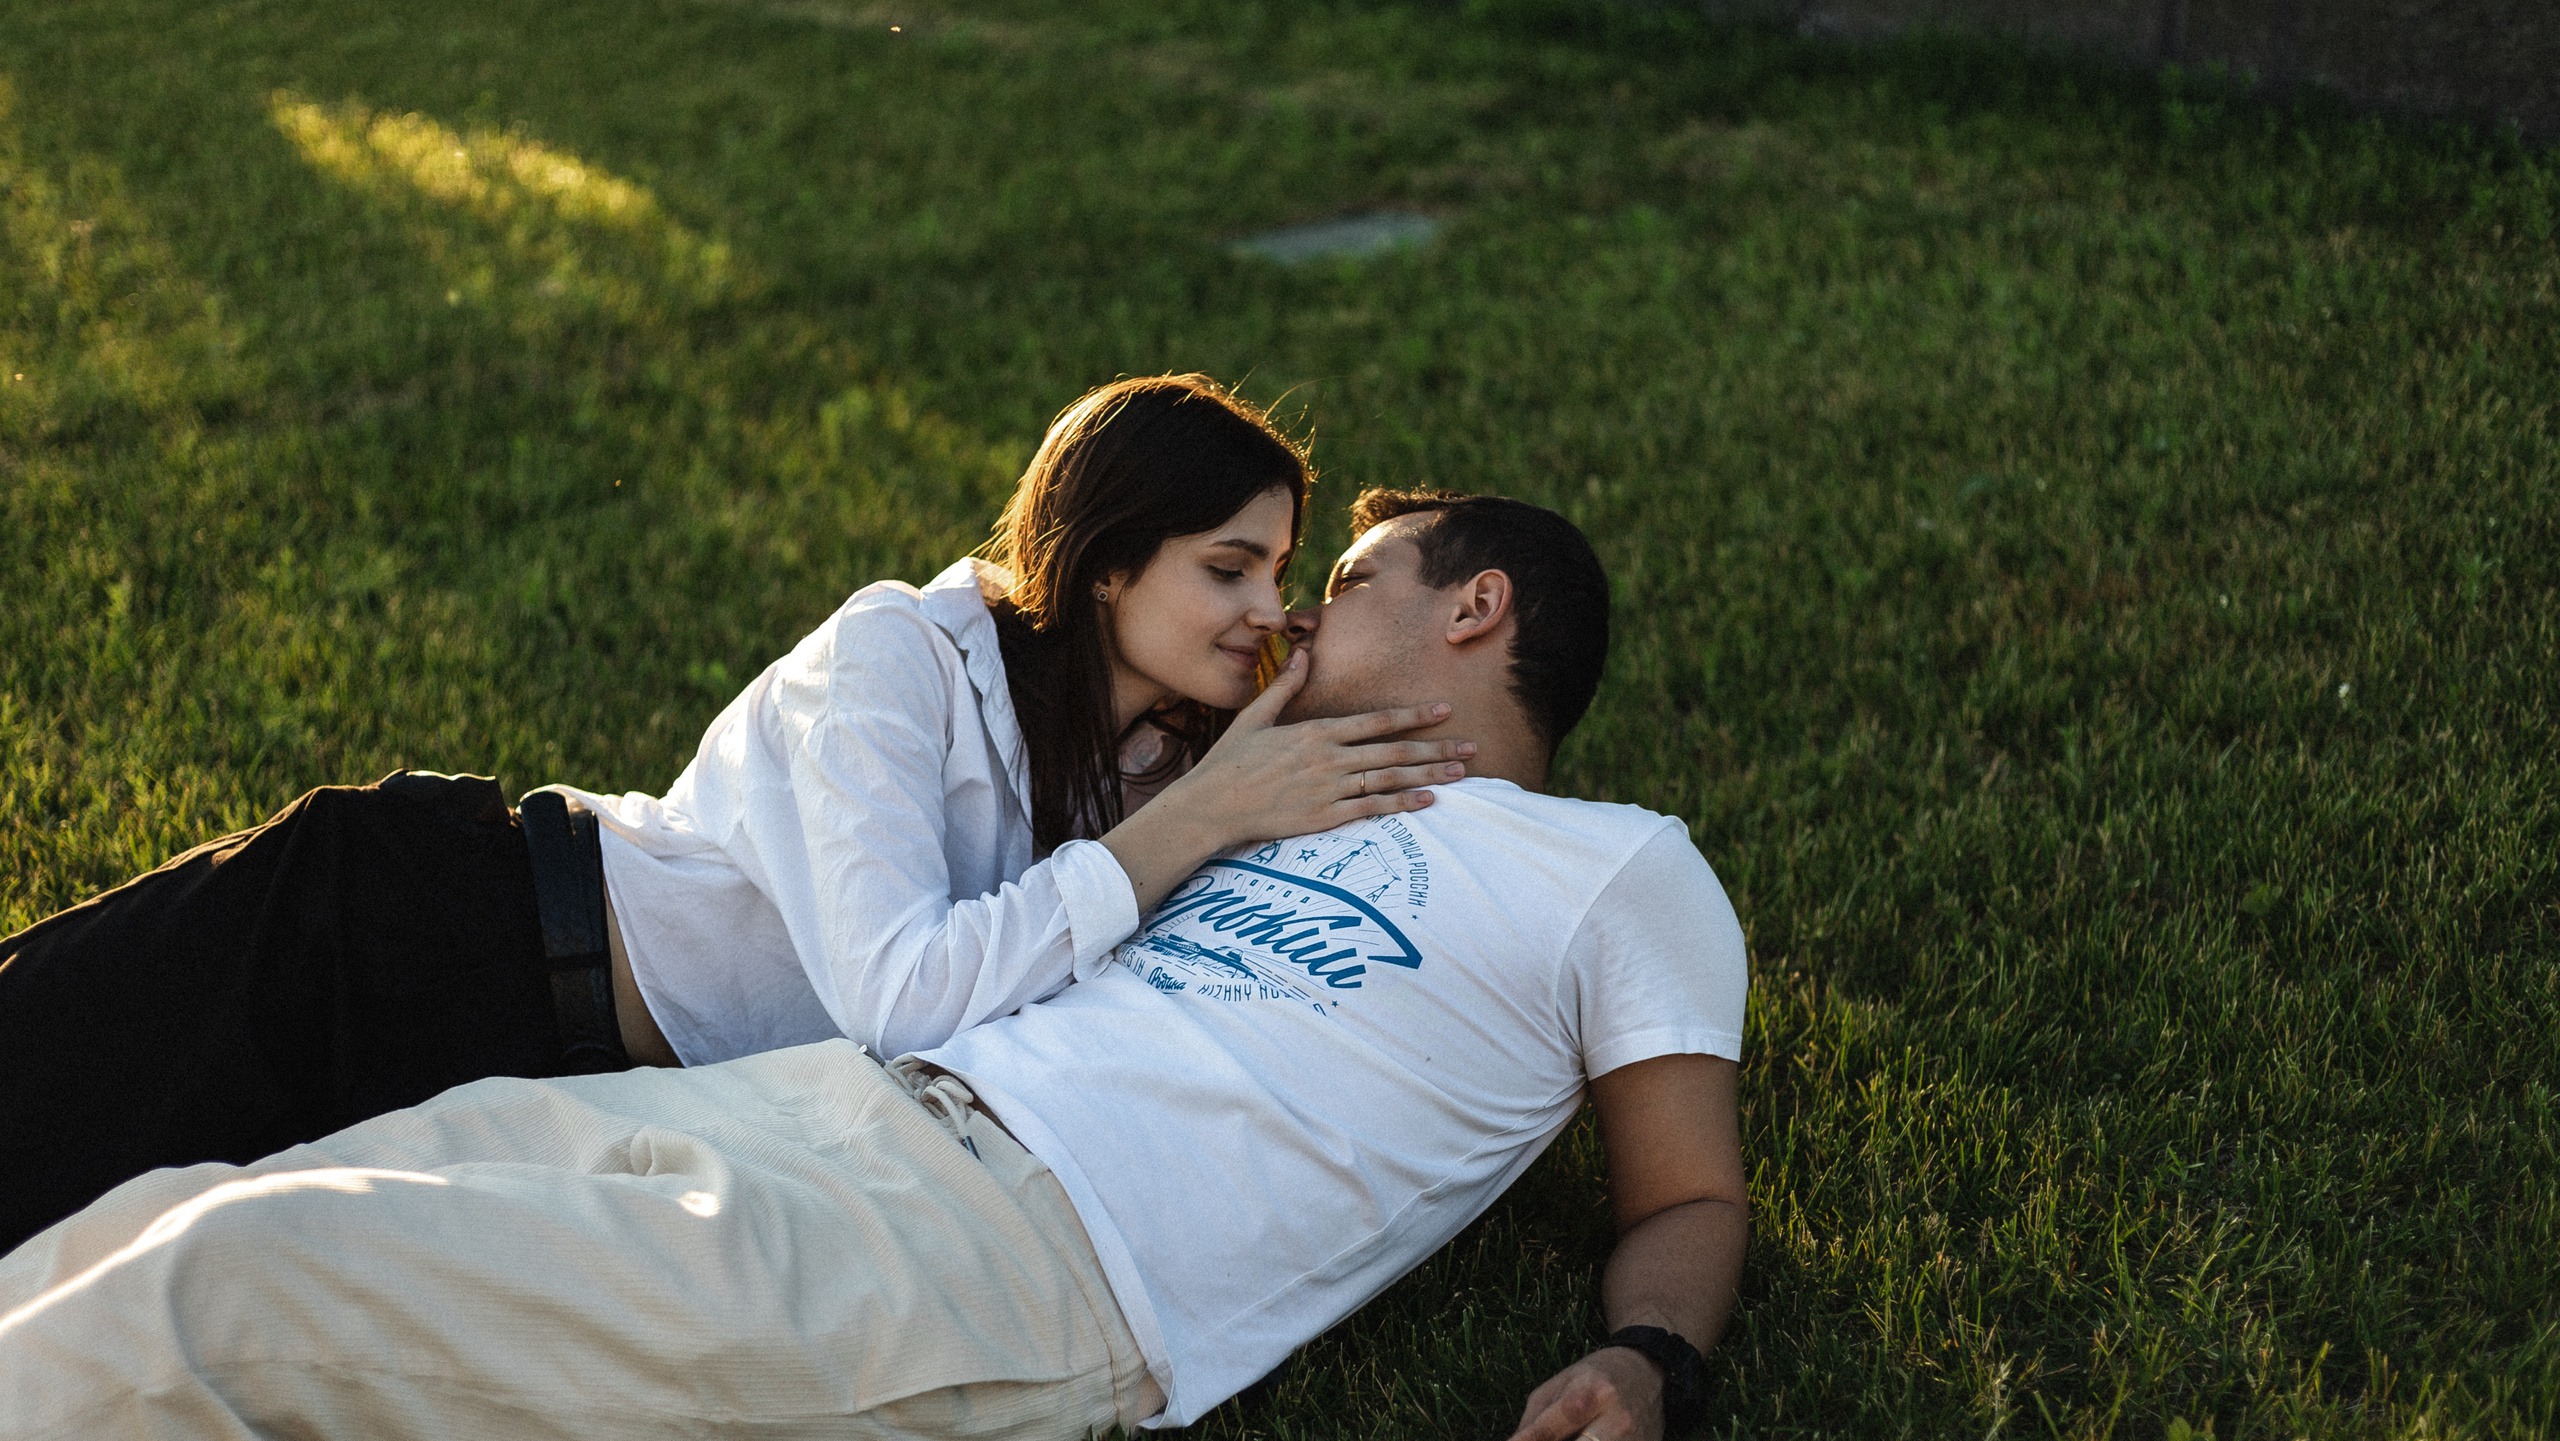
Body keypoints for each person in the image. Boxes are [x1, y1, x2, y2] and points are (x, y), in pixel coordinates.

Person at [0, 489, 1750, 1441]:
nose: (1293, 621)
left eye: (1348, 583)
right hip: (818, 1105)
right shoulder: (1255, 788)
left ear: (1477, 607)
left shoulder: (1616, 871)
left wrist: (1649, 1358)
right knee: (195, 1207)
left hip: (1003, 1270)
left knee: (242, 1299)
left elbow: (1688, 1191)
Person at [0, 375, 1475, 1253]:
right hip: (413, 929)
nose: (1265, 610)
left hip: (554, 1075)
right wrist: (1190, 821)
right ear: (1104, 563)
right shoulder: (900, 656)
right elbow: (903, 997)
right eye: (1228, 569)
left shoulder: (1165, 757)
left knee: (143, 1259)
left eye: (1280, 574)